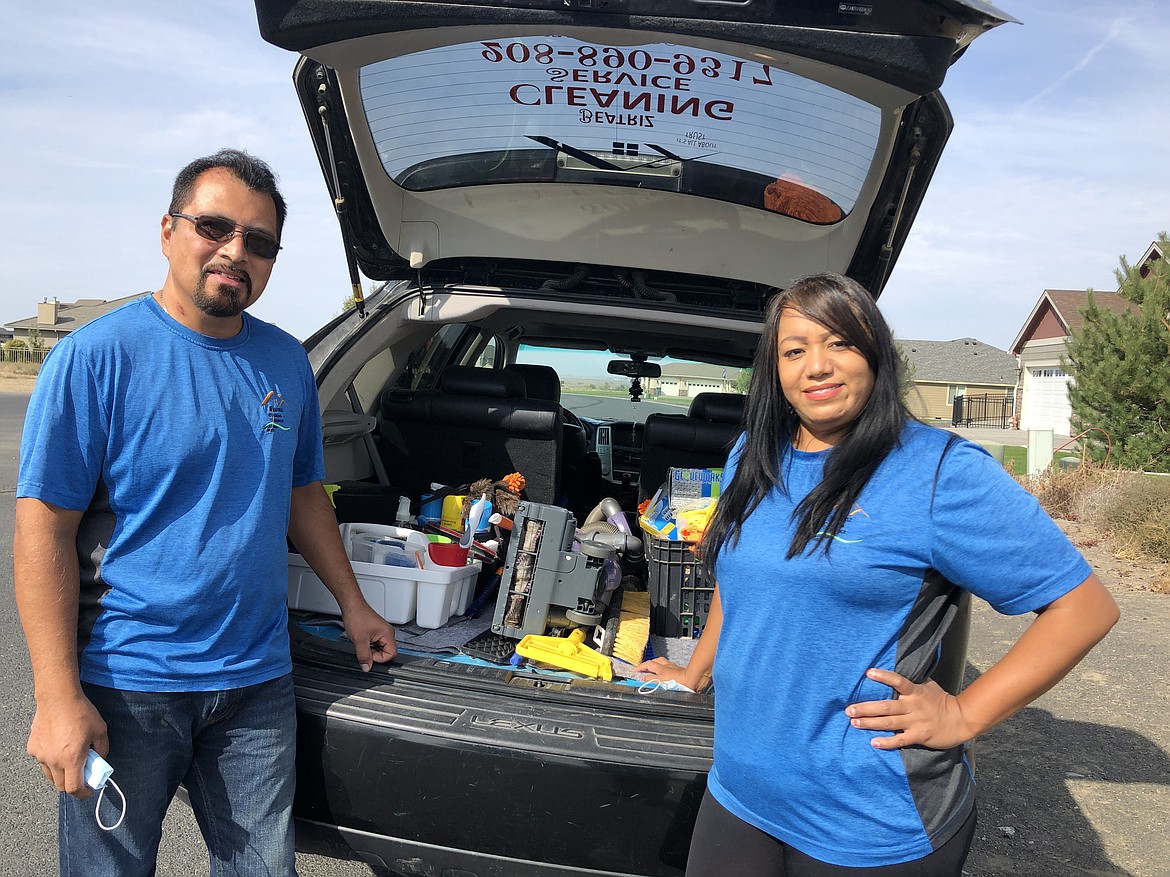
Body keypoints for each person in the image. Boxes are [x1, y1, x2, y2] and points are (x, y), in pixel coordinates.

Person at [635, 272, 1118, 876]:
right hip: (740, 788)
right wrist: (697, 670)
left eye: (839, 342)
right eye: (794, 350)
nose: (817, 366)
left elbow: (1085, 607)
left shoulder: (939, 472)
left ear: (876, 354)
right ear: (775, 370)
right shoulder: (752, 455)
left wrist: (965, 714)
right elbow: (745, 581)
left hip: (867, 813)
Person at [14, 148, 397, 877]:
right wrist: (58, 695)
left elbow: (302, 493)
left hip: (256, 681)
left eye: (259, 241)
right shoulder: (96, 359)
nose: (235, 251)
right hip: (128, 681)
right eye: (214, 226)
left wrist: (355, 605)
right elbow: (43, 531)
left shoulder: (286, 362)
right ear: (168, 230)